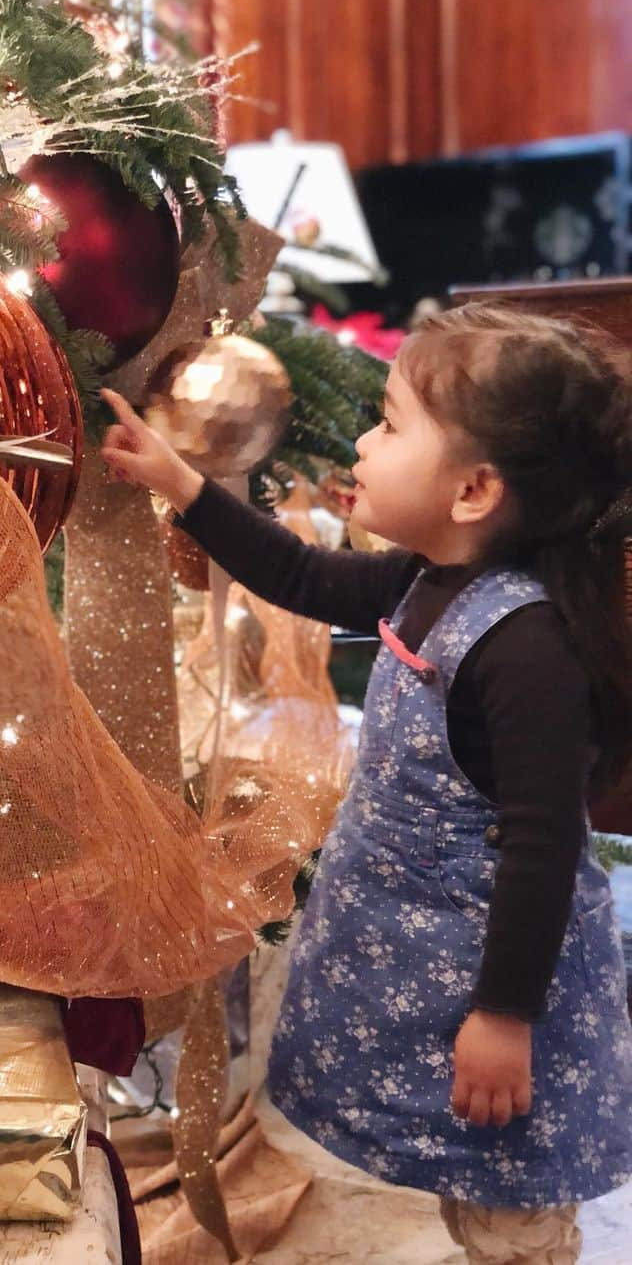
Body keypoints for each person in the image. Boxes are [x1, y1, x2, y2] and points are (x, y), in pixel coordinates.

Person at [100, 304, 632, 1264]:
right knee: (458, 1165)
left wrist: (505, 1018)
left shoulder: (527, 651)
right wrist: (183, 481)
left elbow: (547, 849)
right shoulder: (422, 577)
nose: (360, 440)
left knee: (511, 1199)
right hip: (418, 957)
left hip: (494, 978)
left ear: (473, 489)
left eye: (387, 425)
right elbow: (299, 574)